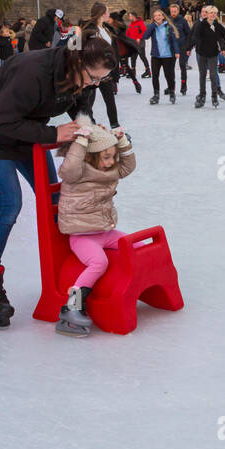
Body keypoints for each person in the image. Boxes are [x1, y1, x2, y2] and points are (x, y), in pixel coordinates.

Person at [0, 36, 114, 328]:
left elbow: (80, 107)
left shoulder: (76, 77)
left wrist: (91, 130)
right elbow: (2, 121)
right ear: (78, 62)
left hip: (26, 133)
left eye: (101, 80)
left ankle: (74, 270)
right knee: (9, 204)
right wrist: (53, 134)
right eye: (94, 78)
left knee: (57, 200)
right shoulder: (32, 71)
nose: (94, 85)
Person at [54, 121, 136, 337]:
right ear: (90, 156)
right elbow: (69, 167)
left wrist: (123, 142)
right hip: (82, 237)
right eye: (106, 157)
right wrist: (81, 141)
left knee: (135, 244)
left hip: (104, 232)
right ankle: (72, 307)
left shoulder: (108, 170)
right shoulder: (77, 173)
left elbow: (127, 167)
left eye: (113, 157)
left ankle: (134, 289)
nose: (110, 163)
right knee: (99, 262)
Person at [192, 5, 225, 108]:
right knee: (202, 75)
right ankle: (202, 96)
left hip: (213, 54)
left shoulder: (218, 26)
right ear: (207, 14)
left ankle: (214, 96)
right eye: (211, 13)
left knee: (213, 75)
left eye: (215, 13)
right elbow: (194, 36)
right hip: (202, 53)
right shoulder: (201, 25)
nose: (213, 15)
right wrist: (188, 48)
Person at [145, 8, 178, 105]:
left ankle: (172, 93)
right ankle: (156, 95)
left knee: (169, 75)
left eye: (159, 15)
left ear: (163, 16)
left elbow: (174, 40)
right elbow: (145, 36)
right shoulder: (153, 27)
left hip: (168, 56)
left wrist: (176, 51)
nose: (157, 17)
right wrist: (152, 25)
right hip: (156, 56)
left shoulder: (168, 27)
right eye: (155, 16)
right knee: (155, 75)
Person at [168, 3, 192, 95]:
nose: (173, 13)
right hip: (171, 47)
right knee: (170, 68)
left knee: (182, 66)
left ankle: (183, 86)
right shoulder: (168, 20)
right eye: (172, 11)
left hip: (182, 46)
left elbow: (188, 34)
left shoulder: (183, 20)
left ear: (178, 11)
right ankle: (171, 86)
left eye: (175, 11)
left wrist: (188, 47)